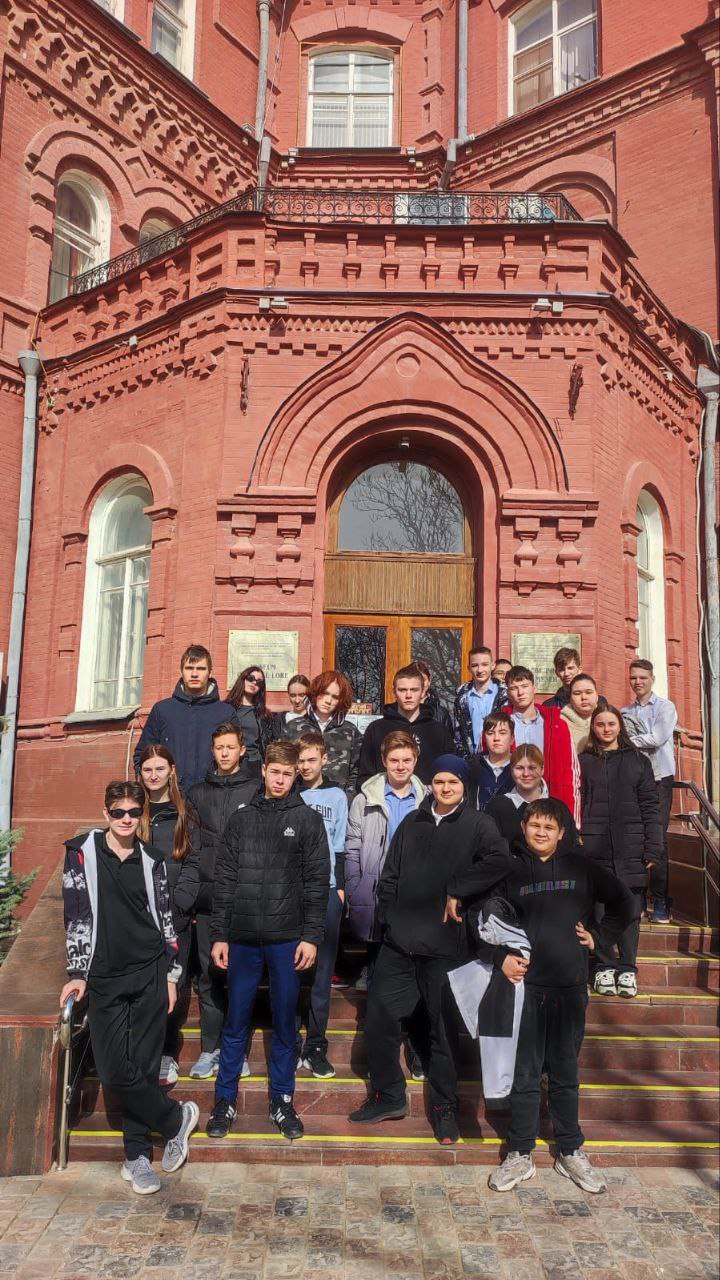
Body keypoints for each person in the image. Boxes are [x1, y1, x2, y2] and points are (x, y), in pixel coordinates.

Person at [349, 755, 512, 1145]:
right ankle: (389, 1095)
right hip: (400, 944)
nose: (445, 788)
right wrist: (388, 917)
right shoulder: (413, 822)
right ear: (431, 785)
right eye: (439, 782)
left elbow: (500, 860)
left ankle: (444, 1108)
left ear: (464, 786)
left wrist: (458, 888)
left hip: (446, 947)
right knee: (380, 1019)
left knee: (442, 1032)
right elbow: (390, 873)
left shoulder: (478, 824)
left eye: (452, 782)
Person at [476, 798, 634, 1195]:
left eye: (549, 827)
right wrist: (500, 958)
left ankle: (570, 1150)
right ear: (524, 828)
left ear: (562, 832)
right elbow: (481, 922)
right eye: (534, 825)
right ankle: (520, 1152)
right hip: (525, 990)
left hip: (569, 988)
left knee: (565, 1072)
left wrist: (600, 938)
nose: (541, 832)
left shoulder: (582, 868)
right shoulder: (510, 871)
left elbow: (625, 902)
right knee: (526, 1073)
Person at [60, 781, 199, 1195]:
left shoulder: (152, 859)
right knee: (114, 1071)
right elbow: (76, 914)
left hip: (150, 972)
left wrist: (171, 975)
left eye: (133, 813)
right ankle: (175, 1119)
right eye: (118, 812)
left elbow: (166, 920)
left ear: (141, 815)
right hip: (104, 976)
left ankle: (136, 1157)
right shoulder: (81, 853)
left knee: (142, 1067)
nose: (126, 819)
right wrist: (78, 971)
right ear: (105, 814)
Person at [205, 741, 330, 1141]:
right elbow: (224, 880)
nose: (279, 780)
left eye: (287, 774)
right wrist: (219, 934)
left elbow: (317, 884)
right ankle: (224, 1102)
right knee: (235, 1022)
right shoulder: (241, 819)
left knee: (285, 1023)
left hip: (286, 939)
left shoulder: (307, 820)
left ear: (296, 776)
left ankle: (282, 1100)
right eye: (274, 772)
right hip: (242, 939)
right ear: (263, 771)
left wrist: (311, 937)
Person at [185, 722, 259, 1079]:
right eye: (219, 748)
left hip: (246, 899)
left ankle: (236, 1051)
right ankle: (209, 1048)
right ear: (213, 751)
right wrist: (195, 895)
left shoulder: (256, 788)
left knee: (241, 977)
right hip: (209, 898)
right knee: (209, 975)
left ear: (242, 750)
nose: (225, 753)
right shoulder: (198, 792)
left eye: (231, 747)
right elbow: (191, 847)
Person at [580, 705, 663, 998]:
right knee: (600, 909)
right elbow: (578, 802)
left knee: (630, 909)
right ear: (593, 728)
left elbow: (650, 807)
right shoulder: (584, 761)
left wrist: (653, 847)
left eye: (611, 724)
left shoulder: (638, 761)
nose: (606, 729)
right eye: (600, 724)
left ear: (620, 727)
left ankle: (627, 968)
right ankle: (604, 966)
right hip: (595, 846)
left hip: (631, 845)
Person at [137, 745, 201, 1086]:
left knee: (173, 985)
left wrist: (181, 902)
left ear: (171, 770)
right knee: (142, 986)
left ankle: (166, 1052)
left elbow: (194, 860)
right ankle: (140, 1051)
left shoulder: (184, 813)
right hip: (140, 918)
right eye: (148, 769)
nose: (154, 775)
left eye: (159, 768)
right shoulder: (134, 813)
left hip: (175, 916)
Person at [345, 731, 427, 991]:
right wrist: (354, 884)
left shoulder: (427, 800)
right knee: (376, 932)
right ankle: (371, 970)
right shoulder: (364, 800)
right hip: (377, 877)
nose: (400, 766)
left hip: (413, 881)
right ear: (384, 761)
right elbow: (352, 846)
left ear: (415, 760)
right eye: (394, 760)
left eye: (406, 760)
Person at [295, 732, 349, 1078]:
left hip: (326, 889)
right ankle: (289, 1041)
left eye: (311, 760)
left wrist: (340, 886)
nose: (305, 766)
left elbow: (341, 843)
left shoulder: (337, 796)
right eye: (300, 761)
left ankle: (315, 1044)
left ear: (324, 759)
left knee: (321, 972)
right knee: (290, 970)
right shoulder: (289, 792)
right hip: (291, 892)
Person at [134, 644, 239, 789]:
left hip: (213, 794)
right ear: (181, 671)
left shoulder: (225, 713)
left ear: (210, 672)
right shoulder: (163, 710)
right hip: (170, 794)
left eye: (201, 669)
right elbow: (143, 754)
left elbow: (237, 757)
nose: (194, 674)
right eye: (189, 668)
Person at [622, 659, 677, 924]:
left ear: (652, 678)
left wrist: (628, 740)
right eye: (633, 677)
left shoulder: (666, 707)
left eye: (643, 677)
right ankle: (639, 897)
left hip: (659, 779)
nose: (638, 682)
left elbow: (657, 738)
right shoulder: (625, 712)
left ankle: (661, 900)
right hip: (635, 780)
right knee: (636, 837)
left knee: (657, 838)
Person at [504, 665, 580, 821]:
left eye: (525, 686)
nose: (520, 692)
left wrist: (571, 820)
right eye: (514, 688)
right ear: (508, 693)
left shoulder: (556, 725)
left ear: (534, 688)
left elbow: (571, 773)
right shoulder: (499, 725)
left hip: (549, 803)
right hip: (511, 804)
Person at [357, 666, 455, 787]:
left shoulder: (438, 731)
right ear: (394, 692)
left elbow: (450, 774)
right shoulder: (376, 729)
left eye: (414, 690)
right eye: (402, 690)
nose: (408, 695)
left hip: (428, 797)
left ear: (423, 691)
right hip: (384, 797)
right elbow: (365, 776)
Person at [283, 670, 362, 800]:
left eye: (335, 697)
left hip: (336, 802)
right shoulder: (293, 727)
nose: (328, 701)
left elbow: (356, 771)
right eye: (324, 693)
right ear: (315, 693)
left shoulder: (350, 731)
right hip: (298, 800)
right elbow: (283, 763)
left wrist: (347, 798)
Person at [486, 745, 578, 850]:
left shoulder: (559, 807)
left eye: (532, 768)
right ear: (511, 770)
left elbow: (572, 847)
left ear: (542, 769)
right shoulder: (497, 807)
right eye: (519, 768)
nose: (526, 774)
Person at [454, 646, 507, 759]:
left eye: (484, 664)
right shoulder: (462, 696)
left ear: (492, 666)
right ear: (469, 668)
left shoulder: (505, 694)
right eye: (475, 665)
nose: (479, 670)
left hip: (499, 758)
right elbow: (458, 732)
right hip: (471, 760)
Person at [226, 665, 277, 764]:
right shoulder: (226, 708)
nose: (254, 683)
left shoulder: (264, 714)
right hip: (232, 761)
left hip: (255, 762)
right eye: (251, 678)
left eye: (259, 682)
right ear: (243, 679)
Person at [468, 711, 515, 811]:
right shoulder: (473, 767)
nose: (496, 738)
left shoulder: (521, 769)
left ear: (512, 738)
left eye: (502, 733)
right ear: (484, 737)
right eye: (490, 733)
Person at [561, 673, 605, 754]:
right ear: (570, 698)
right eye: (577, 693)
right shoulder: (559, 723)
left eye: (589, 692)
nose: (584, 697)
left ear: (597, 696)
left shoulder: (608, 718)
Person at [412, 660, 454, 735]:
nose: (420, 684)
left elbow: (449, 741)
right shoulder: (398, 711)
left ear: (429, 681)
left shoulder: (441, 714)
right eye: (415, 680)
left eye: (423, 680)